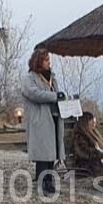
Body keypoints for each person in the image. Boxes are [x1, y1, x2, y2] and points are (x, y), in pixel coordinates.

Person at [20, 48, 68, 195]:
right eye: (46, 60)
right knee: (43, 153)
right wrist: (55, 96)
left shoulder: (53, 78)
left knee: (52, 152)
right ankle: (43, 182)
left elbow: (57, 95)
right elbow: (34, 94)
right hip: (40, 120)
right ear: (39, 61)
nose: (49, 63)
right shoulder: (29, 78)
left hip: (54, 118)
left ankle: (49, 180)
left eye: (49, 60)